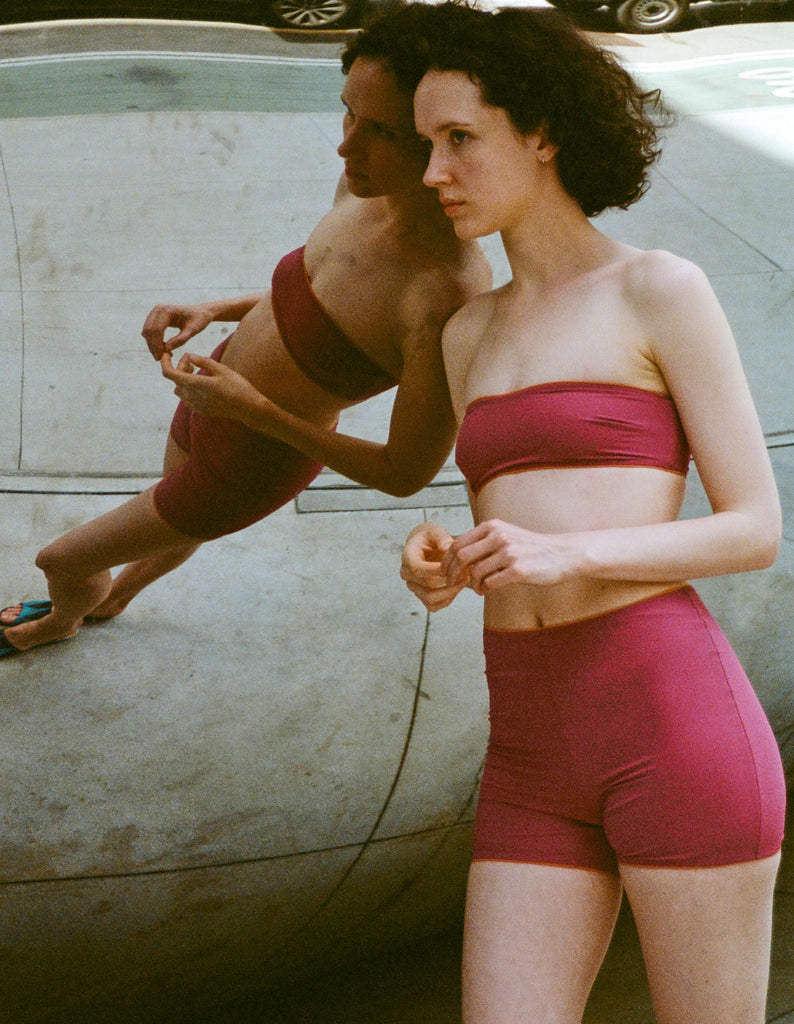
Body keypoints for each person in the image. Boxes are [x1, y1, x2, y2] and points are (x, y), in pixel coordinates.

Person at [393, 5, 786, 1023]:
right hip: (527, 745)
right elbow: (519, 515)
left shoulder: (657, 289)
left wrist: (564, 551)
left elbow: (751, 528)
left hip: (668, 723)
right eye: (425, 142)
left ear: (543, 131)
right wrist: (446, 560)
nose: (433, 170)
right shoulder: (466, 331)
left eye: (459, 139)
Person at [0, 5, 490, 656]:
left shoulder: (447, 292)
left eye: (383, 132)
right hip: (211, 402)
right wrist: (216, 308)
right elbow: (325, 303)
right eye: (348, 112)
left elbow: (405, 472)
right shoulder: (364, 188)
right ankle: (116, 597)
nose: (345, 147)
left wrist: (252, 409)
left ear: (448, 137)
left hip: (254, 460)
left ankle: (65, 616)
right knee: (173, 525)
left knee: (62, 559)